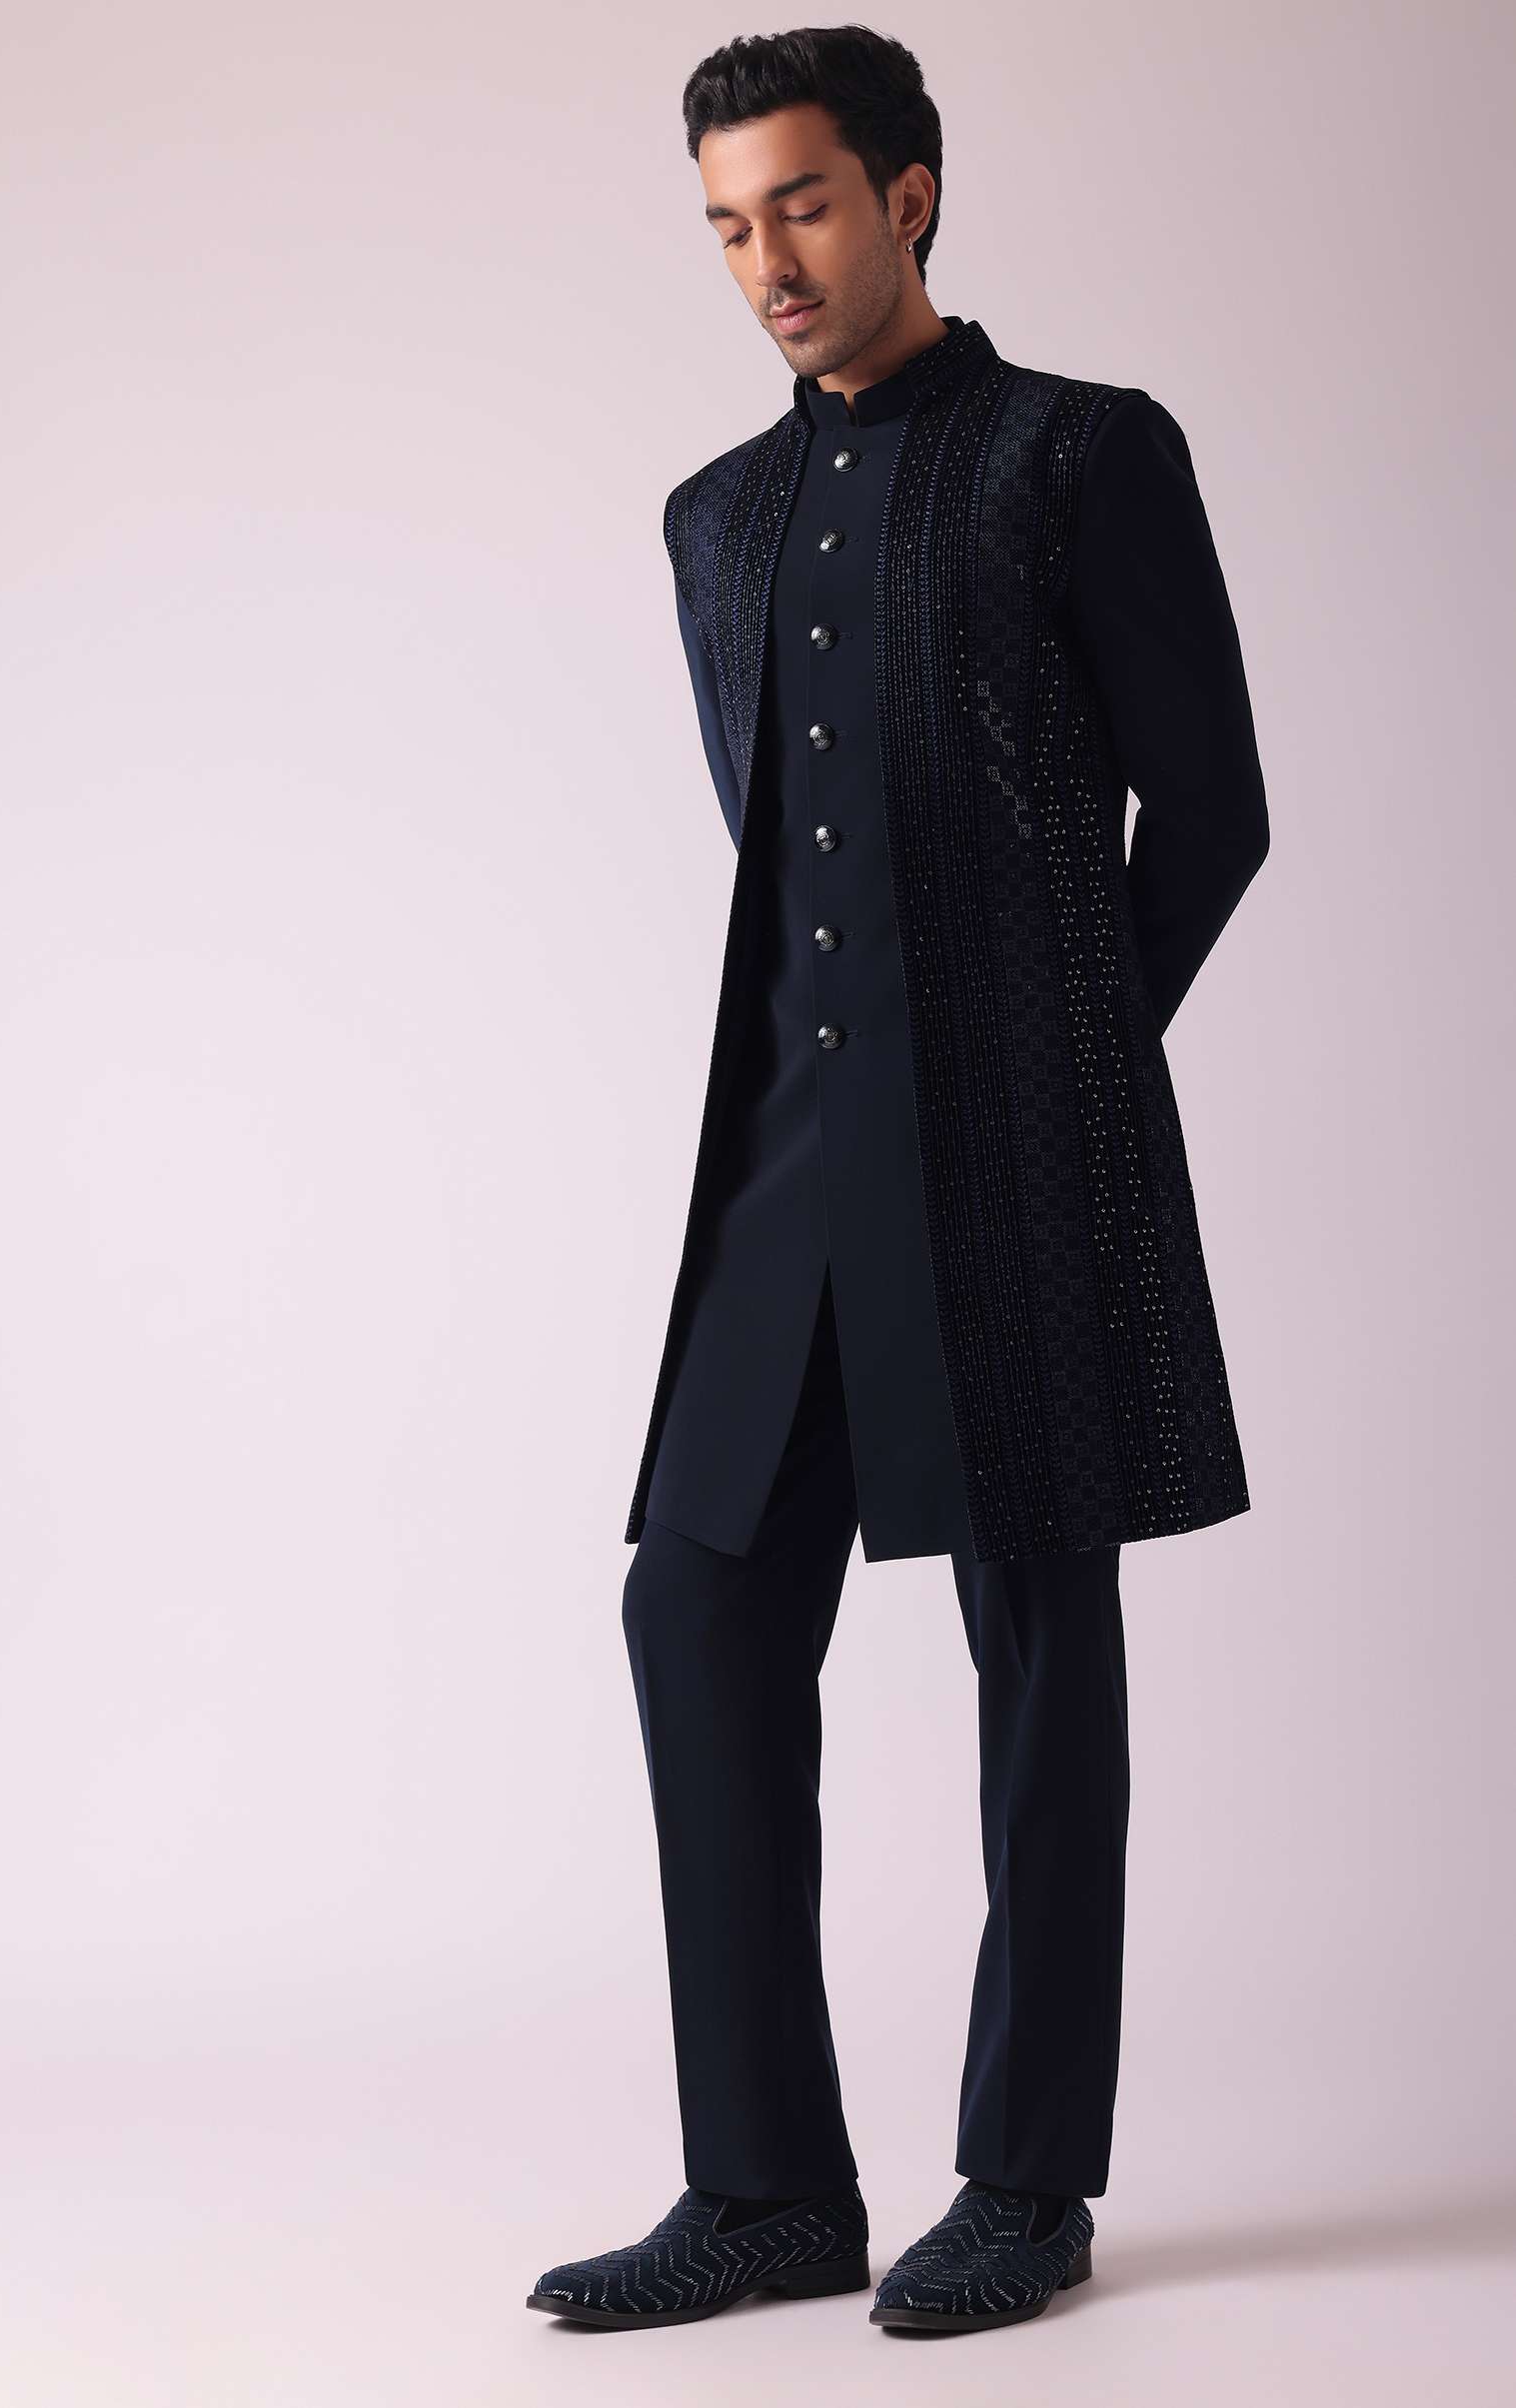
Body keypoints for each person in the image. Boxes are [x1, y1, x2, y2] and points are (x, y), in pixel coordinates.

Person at [528, 23, 1269, 2338]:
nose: (768, 257)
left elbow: (1211, 810)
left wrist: (1060, 1065)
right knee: (696, 1602)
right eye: (729, 224)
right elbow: (789, 853)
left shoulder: (1083, 455)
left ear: (911, 194)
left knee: (1039, 1642)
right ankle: (767, 2184)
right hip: (788, 1162)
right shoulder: (714, 521)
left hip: (1019, 1163)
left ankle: (1027, 2179)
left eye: (806, 204)